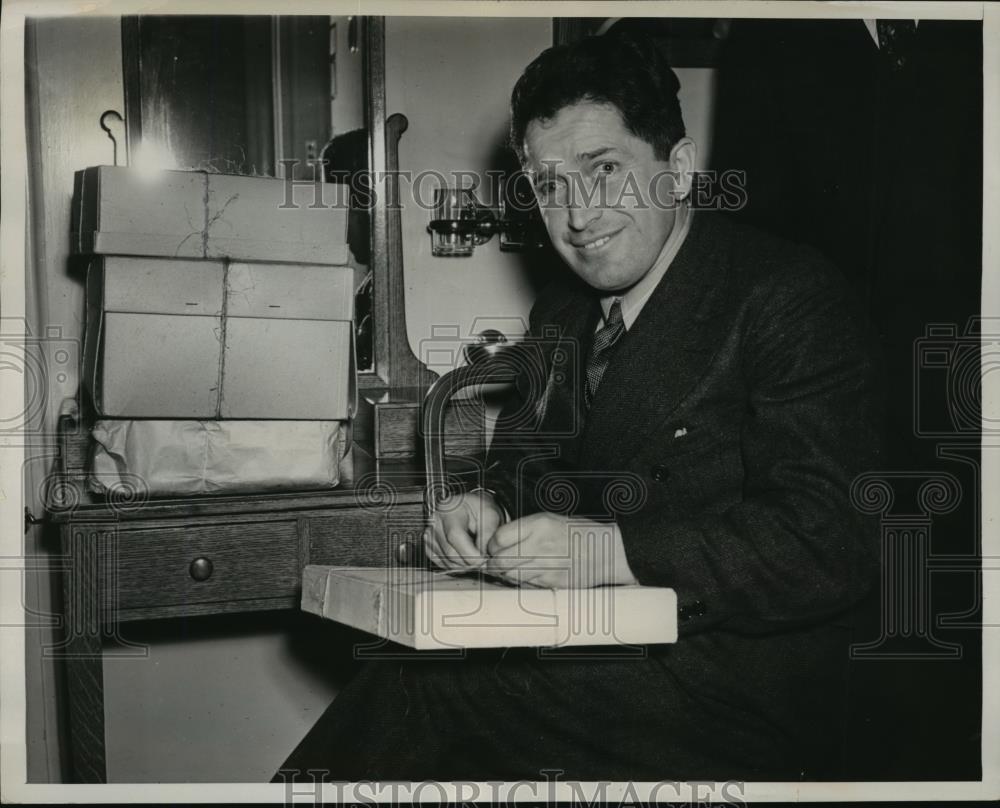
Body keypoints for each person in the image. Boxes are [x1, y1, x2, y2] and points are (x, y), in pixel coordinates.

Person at [277, 31, 881, 783]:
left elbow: (831, 540)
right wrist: (485, 509)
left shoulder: (784, 296)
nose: (578, 216)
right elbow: (523, 469)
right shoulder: (563, 316)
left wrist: (610, 551)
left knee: (426, 690)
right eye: (550, 186)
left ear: (679, 170)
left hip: (738, 686)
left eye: (604, 171)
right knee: (414, 675)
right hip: (603, 656)